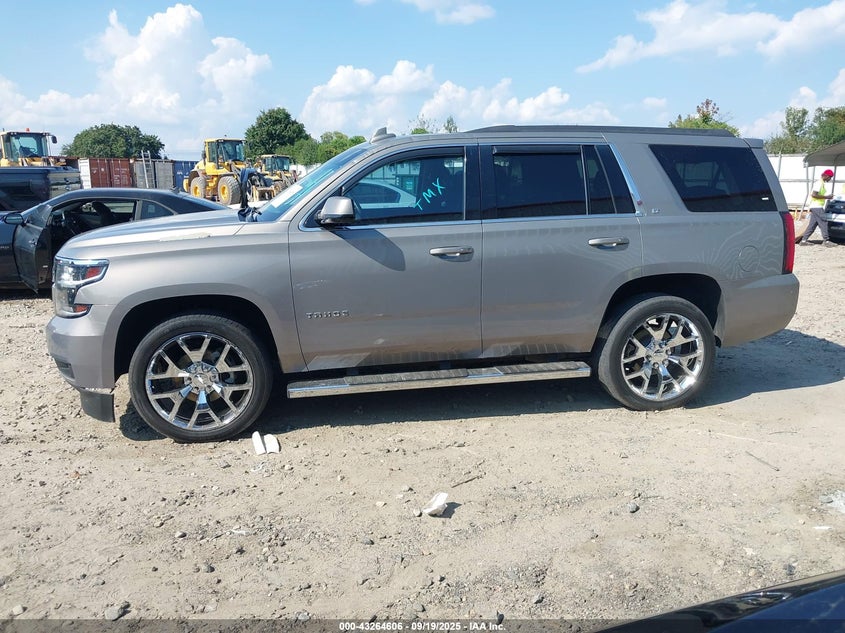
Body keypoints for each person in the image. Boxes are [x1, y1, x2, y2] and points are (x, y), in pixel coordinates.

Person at [800, 169, 837, 247]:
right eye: (830, 177)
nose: (830, 179)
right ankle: (826, 241)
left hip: (815, 206)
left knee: (812, 224)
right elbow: (814, 194)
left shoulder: (821, 183)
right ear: (826, 176)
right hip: (817, 206)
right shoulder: (819, 183)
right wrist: (827, 197)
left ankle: (804, 240)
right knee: (824, 222)